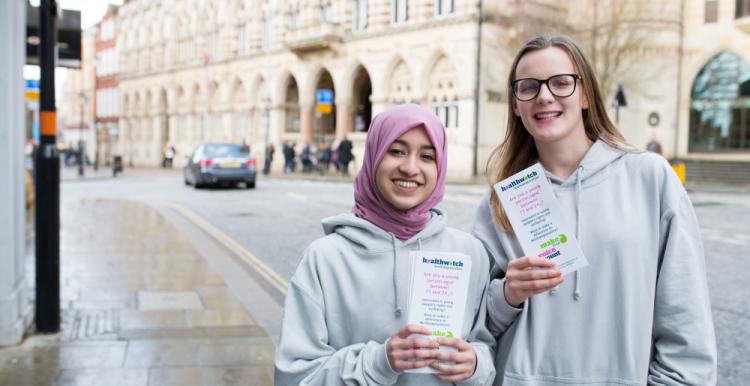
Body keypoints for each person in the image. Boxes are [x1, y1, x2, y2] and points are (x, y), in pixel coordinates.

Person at [472, 34, 717, 386]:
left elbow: (685, 315)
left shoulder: (650, 177)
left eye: (560, 83)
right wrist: (508, 295)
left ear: (586, 94)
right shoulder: (498, 204)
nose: (544, 96)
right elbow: (475, 328)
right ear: (515, 104)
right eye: (528, 87)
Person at [274, 104, 496, 385]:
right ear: (374, 156)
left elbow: (486, 349)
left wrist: (475, 364)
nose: (410, 167)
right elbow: (294, 376)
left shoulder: (468, 252)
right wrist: (378, 362)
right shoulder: (325, 258)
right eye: (397, 151)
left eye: (427, 156)